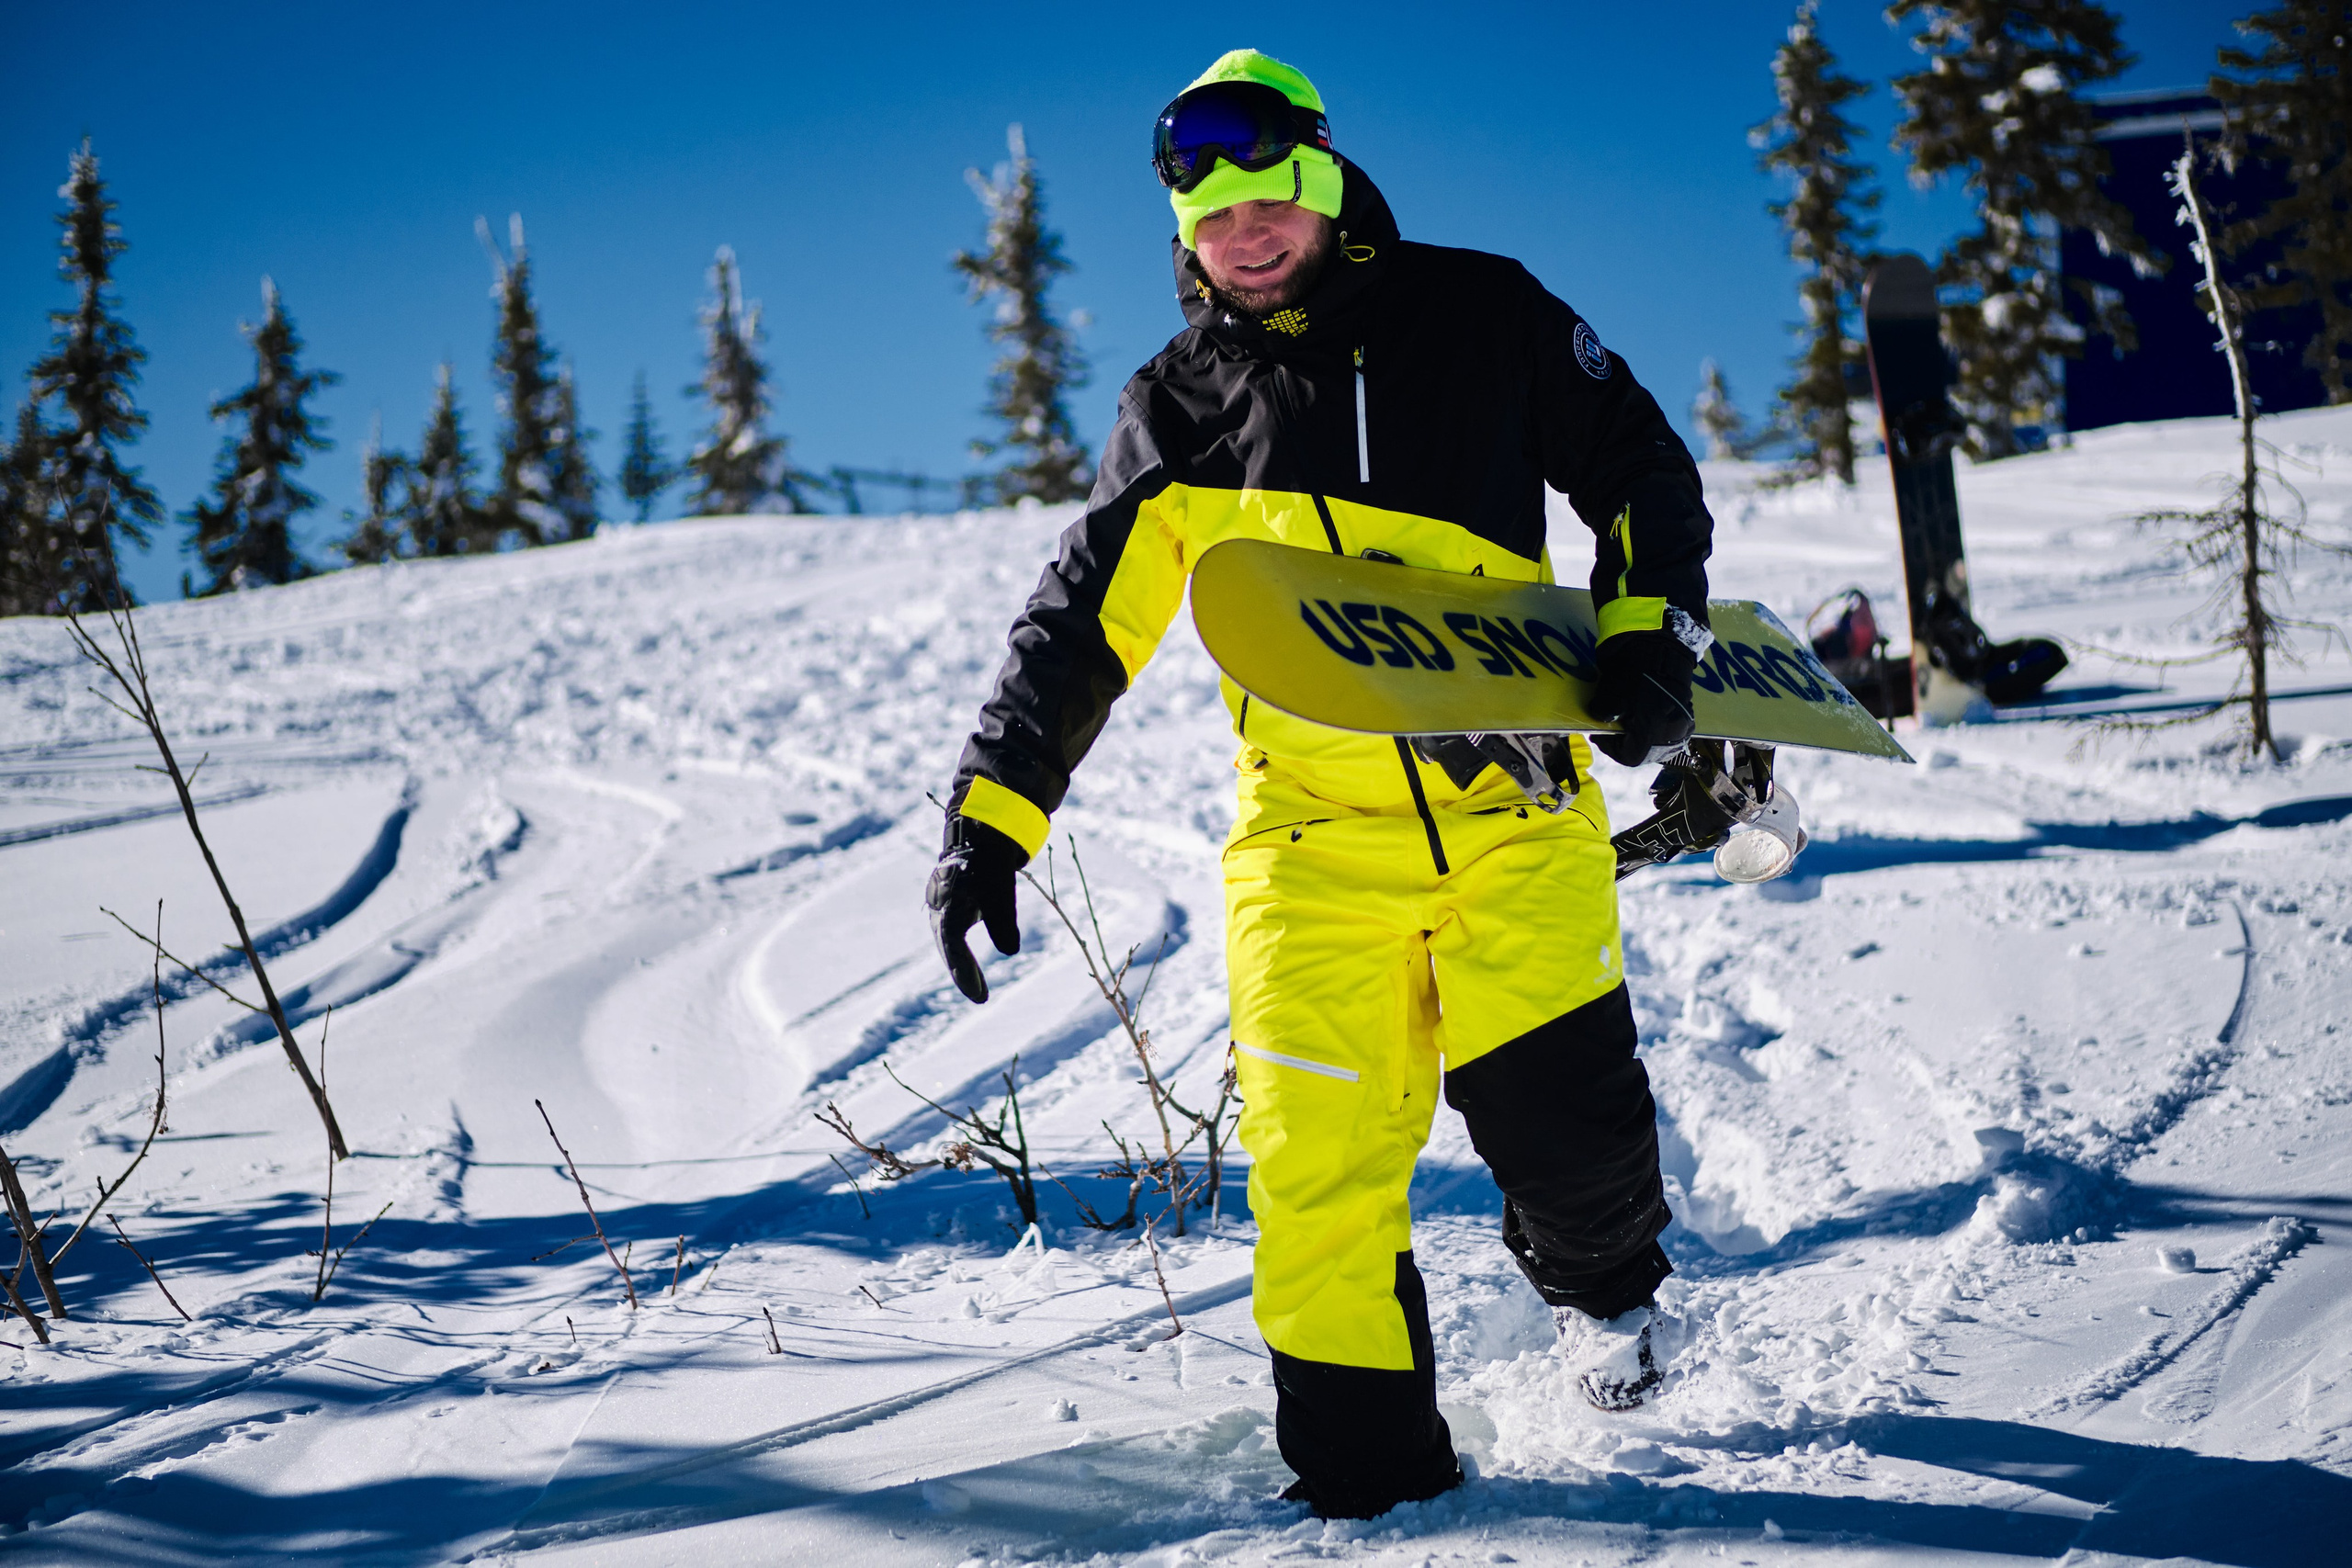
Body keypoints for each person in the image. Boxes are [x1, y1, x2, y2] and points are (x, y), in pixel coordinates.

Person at [927, 49, 1716, 1519]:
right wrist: (993, 813)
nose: (1242, 232)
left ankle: (1607, 1299)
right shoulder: (1180, 409)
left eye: (1265, 194)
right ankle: (1370, 1484)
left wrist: (1644, 625)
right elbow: (1078, 621)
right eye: (1208, 214)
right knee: (1316, 1181)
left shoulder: (1485, 314)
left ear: (1320, 173)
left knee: (1571, 1139)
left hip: (1513, 812)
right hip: (1304, 848)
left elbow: (1635, 469)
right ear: (1184, 233)